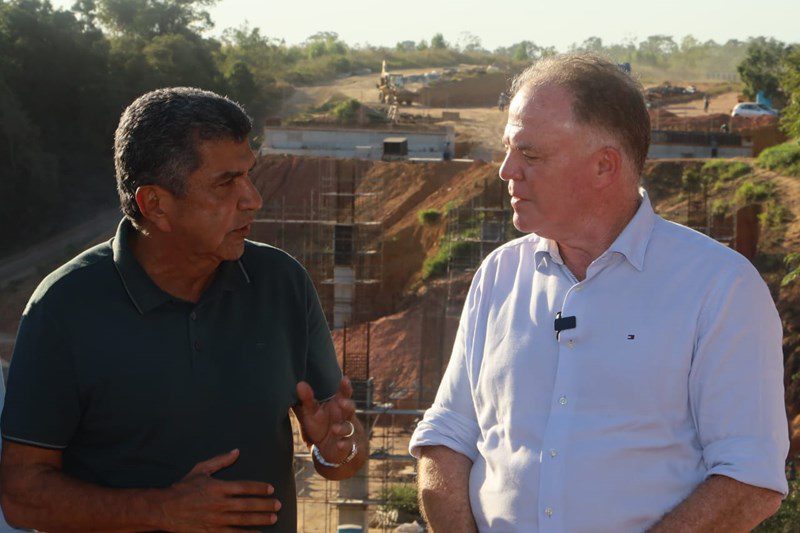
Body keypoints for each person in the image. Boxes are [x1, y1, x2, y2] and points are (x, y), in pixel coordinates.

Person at [410, 54, 788, 532]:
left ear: (604, 166)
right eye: (508, 149)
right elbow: (447, 436)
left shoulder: (720, 289)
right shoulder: (498, 275)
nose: (507, 170)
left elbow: (749, 479)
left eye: (531, 154)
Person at [0, 87, 366, 532]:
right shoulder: (63, 307)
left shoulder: (282, 283)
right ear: (155, 204)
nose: (253, 198)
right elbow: (21, 495)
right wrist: (160, 510)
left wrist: (335, 446)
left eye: (249, 175)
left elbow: (341, 462)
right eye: (225, 182)